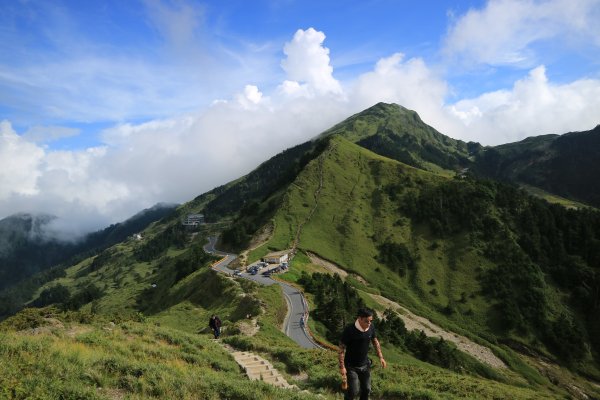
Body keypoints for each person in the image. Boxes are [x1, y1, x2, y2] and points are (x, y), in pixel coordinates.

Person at [339, 308, 387, 400]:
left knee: (367, 389)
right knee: (353, 391)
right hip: (351, 366)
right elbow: (341, 349)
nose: (369, 323)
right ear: (359, 319)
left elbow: (375, 341)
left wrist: (381, 357)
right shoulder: (349, 330)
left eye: (371, 321)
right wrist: (342, 367)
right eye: (367, 321)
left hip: (365, 365)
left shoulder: (371, 327)